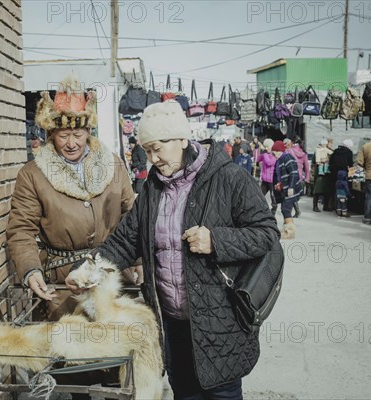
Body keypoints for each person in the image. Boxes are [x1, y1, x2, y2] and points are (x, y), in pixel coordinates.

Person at [67, 100, 280, 400]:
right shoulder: (153, 187)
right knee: (185, 393)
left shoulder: (228, 178)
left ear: (182, 139)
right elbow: (126, 239)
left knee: (222, 394)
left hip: (219, 321)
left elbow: (267, 233)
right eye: (147, 150)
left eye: (159, 147)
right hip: (172, 323)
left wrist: (215, 240)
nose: (153, 158)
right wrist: (88, 269)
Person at [6, 74, 137, 321]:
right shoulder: (33, 175)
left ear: (89, 131)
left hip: (112, 275)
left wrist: (139, 260)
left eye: (78, 134)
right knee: (71, 352)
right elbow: (21, 229)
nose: (71, 143)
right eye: (63, 135)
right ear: (51, 134)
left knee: (117, 348)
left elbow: (133, 217)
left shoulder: (113, 165)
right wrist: (30, 269)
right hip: (64, 286)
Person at [271, 140, 302, 239]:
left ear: (279, 151)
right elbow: (281, 176)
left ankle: (290, 232)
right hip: (286, 188)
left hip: (292, 188)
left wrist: (291, 187)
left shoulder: (288, 158)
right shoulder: (279, 160)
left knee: (285, 209)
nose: (273, 154)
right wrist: (279, 184)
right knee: (285, 208)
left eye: (274, 152)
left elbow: (294, 173)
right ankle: (286, 229)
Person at [285, 137, 309, 218]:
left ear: (292, 142)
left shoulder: (289, 151)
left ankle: (293, 211)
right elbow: (306, 168)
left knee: (290, 194)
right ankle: (295, 211)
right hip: (299, 176)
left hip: (291, 174)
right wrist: (307, 178)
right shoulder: (304, 153)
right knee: (293, 194)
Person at [328, 139, 355, 214]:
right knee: (343, 190)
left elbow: (330, 162)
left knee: (335, 189)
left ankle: (335, 206)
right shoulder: (349, 152)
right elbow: (350, 164)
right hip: (343, 173)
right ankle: (344, 208)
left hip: (334, 172)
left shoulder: (335, 151)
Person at [312, 138, 333, 212]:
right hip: (320, 172)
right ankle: (315, 206)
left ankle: (326, 205)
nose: (331, 145)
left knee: (327, 189)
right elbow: (315, 161)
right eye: (330, 143)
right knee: (318, 189)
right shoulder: (319, 150)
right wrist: (322, 161)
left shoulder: (329, 151)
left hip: (326, 172)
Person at [258, 138, 278, 214]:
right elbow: (258, 159)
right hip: (265, 179)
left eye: (267, 146)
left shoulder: (274, 155)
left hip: (271, 180)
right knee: (260, 194)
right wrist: (261, 152)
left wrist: (265, 155)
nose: (266, 148)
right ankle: (261, 208)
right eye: (265, 147)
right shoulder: (265, 154)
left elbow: (269, 163)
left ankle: (274, 209)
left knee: (273, 196)